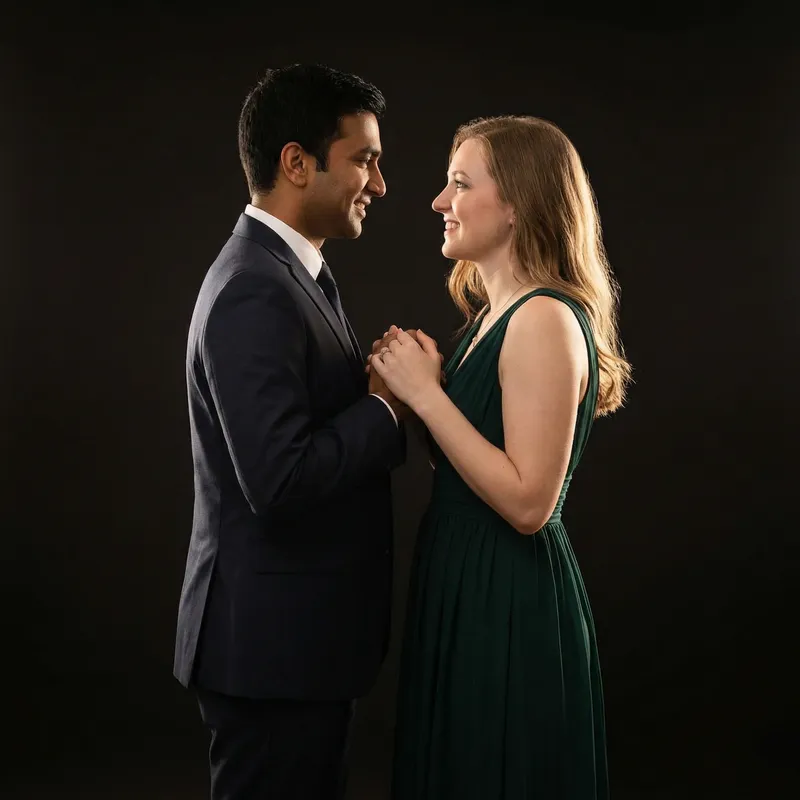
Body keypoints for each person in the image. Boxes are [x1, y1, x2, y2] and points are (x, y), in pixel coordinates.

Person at [370, 115, 632, 799]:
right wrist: (422, 384)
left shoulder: (544, 317)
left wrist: (427, 397)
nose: (438, 201)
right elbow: (467, 463)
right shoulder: (491, 314)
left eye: (460, 184)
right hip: (461, 571)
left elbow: (527, 504)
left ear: (517, 203)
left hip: (506, 592)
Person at [173, 64, 410, 800]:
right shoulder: (254, 287)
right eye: (364, 159)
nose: (380, 183)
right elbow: (278, 480)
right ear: (297, 163)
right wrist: (388, 407)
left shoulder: (294, 272)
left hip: (295, 647)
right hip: (270, 654)